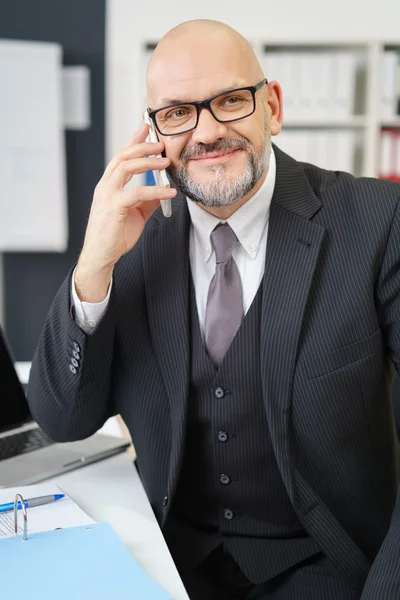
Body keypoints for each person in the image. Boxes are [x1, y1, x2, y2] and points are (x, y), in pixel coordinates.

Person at [27, 18, 400, 600]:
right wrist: (93, 264)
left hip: (325, 564)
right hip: (170, 558)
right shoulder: (129, 240)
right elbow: (64, 420)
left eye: (230, 101)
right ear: (153, 130)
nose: (205, 132)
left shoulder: (377, 222)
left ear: (272, 106)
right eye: (177, 113)